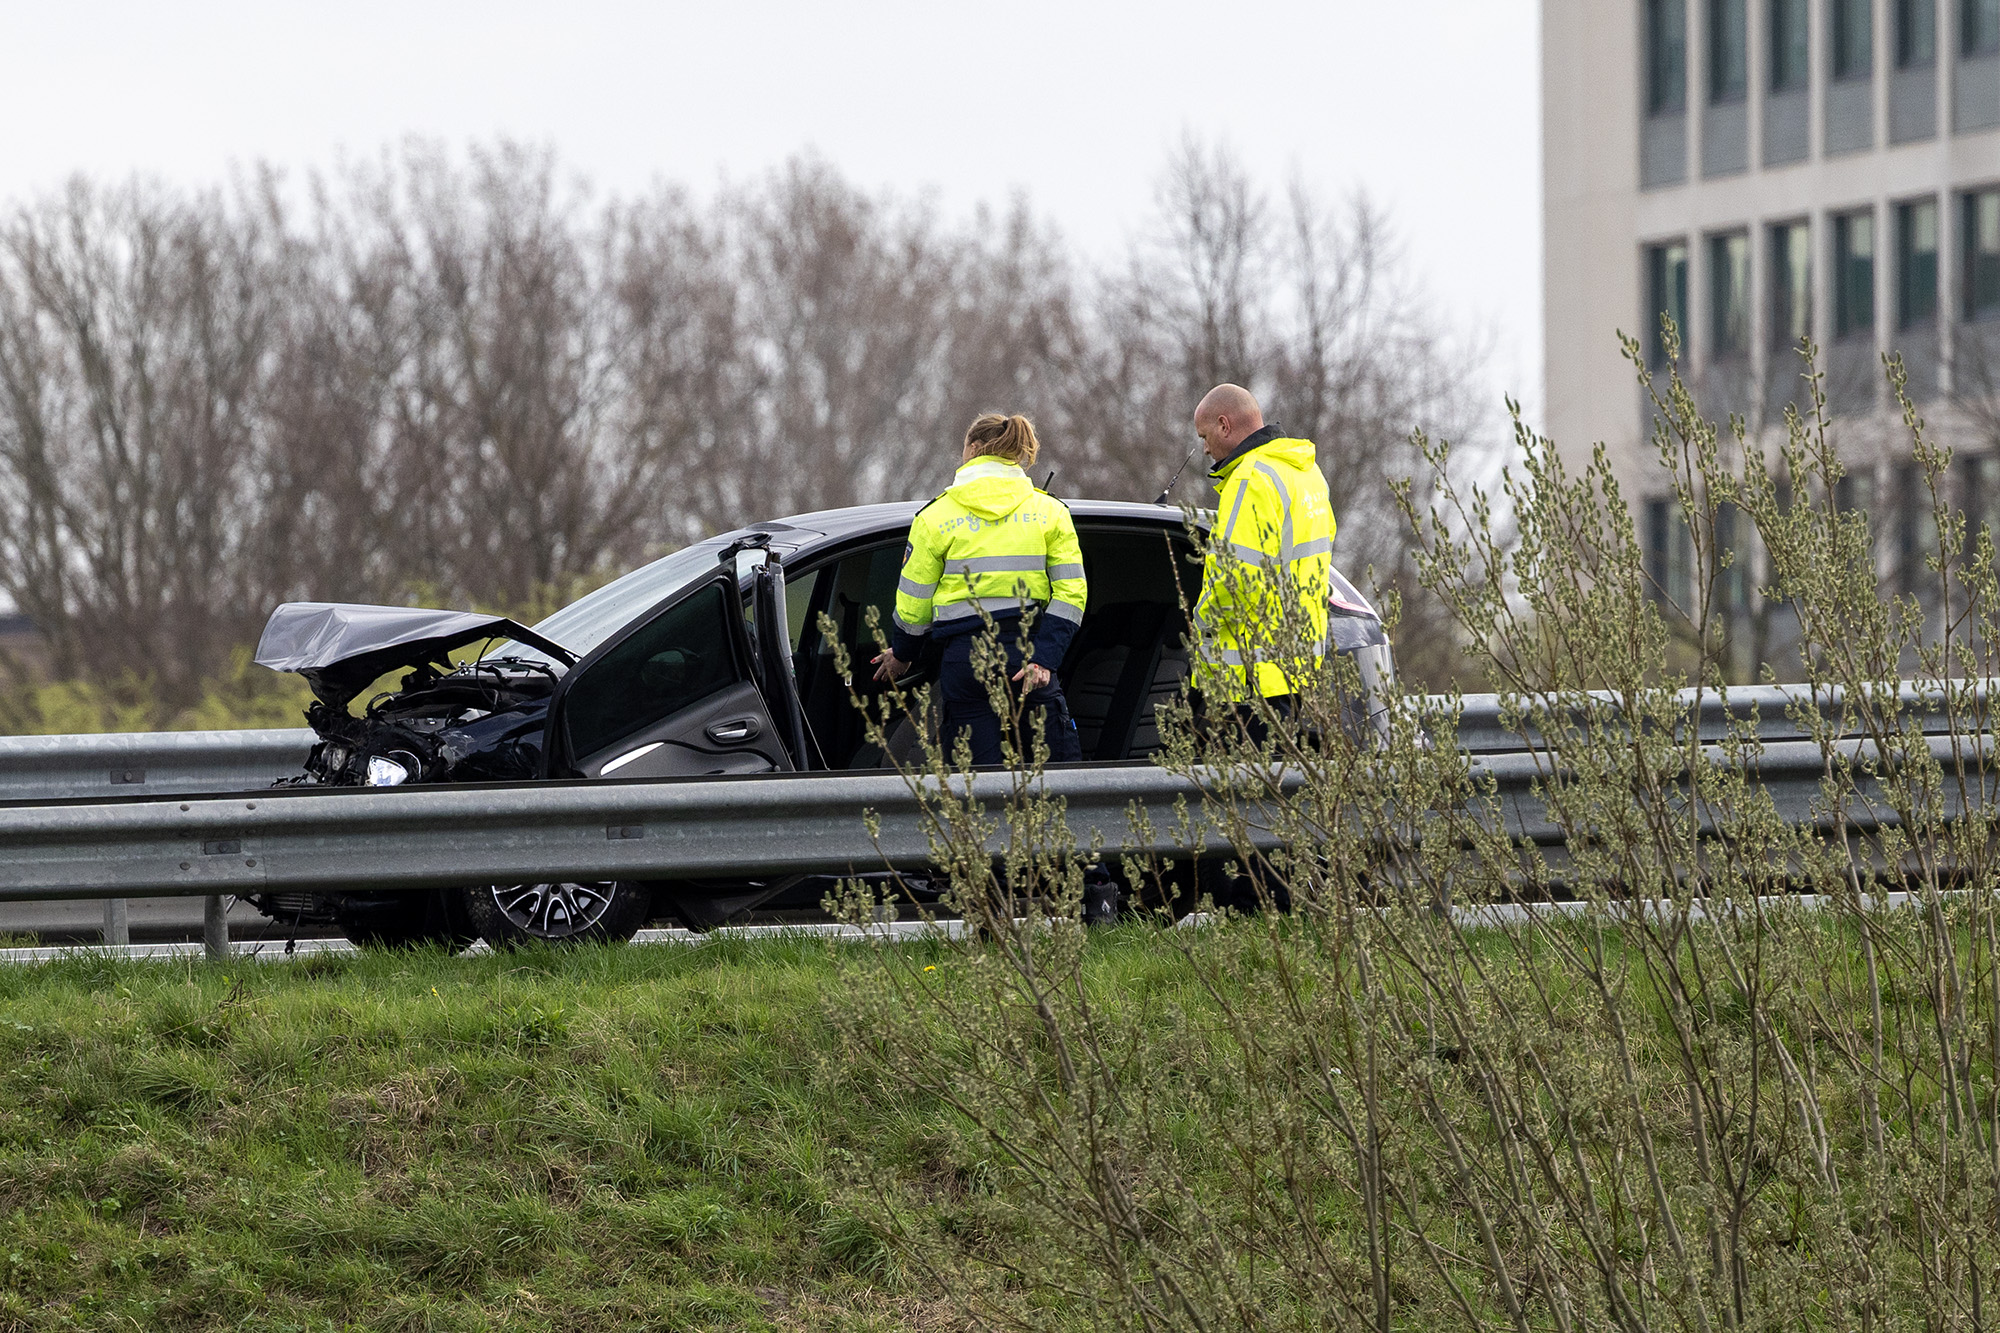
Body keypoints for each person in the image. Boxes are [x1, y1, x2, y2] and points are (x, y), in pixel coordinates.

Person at [873, 413, 1087, 765]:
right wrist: (1044, 658)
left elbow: (914, 604)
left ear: (973, 449)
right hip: (1028, 657)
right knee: (1060, 783)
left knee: (977, 791)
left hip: (966, 661)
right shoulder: (1049, 512)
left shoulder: (934, 517)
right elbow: (1071, 594)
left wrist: (903, 653)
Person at [1189, 383, 1335, 734]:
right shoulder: (1306, 473)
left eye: (1205, 436)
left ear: (1224, 425)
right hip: (1295, 673)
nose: (1206, 448)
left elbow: (1236, 578)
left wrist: (1199, 622)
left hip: (1248, 683)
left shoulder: (1251, 477)